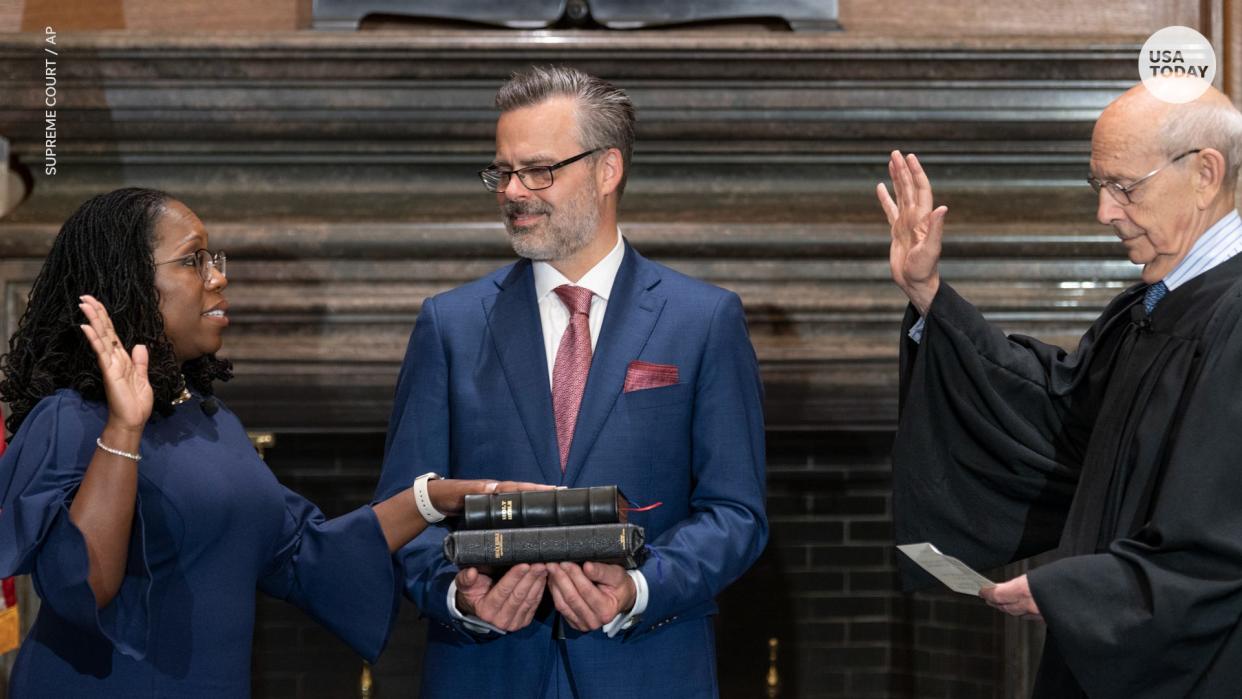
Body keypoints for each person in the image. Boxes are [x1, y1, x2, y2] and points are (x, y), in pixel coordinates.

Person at [0, 187, 545, 697]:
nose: (217, 278)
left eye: (216, 260)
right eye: (195, 261)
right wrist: (125, 427)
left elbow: (301, 554)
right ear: (130, 282)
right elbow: (81, 590)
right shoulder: (68, 419)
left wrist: (433, 498)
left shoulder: (212, 424)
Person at [374, 65, 768, 698]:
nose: (512, 191)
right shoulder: (448, 324)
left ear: (607, 169)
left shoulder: (705, 320)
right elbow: (406, 509)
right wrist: (459, 595)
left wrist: (638, 588)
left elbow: (736, 513)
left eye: (538, 170)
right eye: (502, 172)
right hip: (485, 669)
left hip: (648, 664)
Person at [878, 80, 1242, 698]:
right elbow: (1059, 418)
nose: (1105, 212)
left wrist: (1074, 592)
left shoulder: (1232, 321)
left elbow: (1222, 537)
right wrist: (929, 296)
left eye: (1124, 186)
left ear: (1205, 173)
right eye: (1099, 186)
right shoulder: (1151, 309)